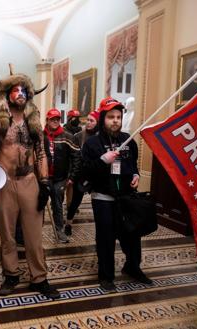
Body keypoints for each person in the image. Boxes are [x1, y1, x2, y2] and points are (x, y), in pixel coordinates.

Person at [0, 64, 60, 299]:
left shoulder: (34, 123)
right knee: (7, 235)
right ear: (7, 94)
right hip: (4, 182)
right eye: (15, 90)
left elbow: (41, 153)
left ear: (28, 95)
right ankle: (11, 275)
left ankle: (39, 278)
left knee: (33, 235)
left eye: (23, 91)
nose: (20, 94)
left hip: (30, 181)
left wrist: (45, 183)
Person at [82, 97, 152, 291]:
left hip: (127, 198)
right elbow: (85, 171)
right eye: (111, 117)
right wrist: (103, 160)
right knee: (106, 238)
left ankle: (132, 267)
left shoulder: (128, 141)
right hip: (103, 198)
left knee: (132, 234)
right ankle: (106, 275)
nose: (115, 120)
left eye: (118, 117)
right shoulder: (92, 144)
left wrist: (136, 174)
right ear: (103, 118)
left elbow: (133, 165)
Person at [43, 108, 80, 243]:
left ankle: (59, 231)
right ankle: (34, 232)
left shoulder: (67, 137)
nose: (55, 121)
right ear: (47, 120)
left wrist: (71, 177)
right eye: (52, 119)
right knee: (39, 204)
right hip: (44, 178)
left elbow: (76, 157)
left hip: (60, 179)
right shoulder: (41, 136)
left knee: (57, 205)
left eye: (57, 119)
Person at [66, 110, 100, 234]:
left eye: (92, 120)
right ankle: (68, 224)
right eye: (88, 120)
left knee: (98, 203)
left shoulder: (101, 137)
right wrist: (72, 174)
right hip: (81, 174)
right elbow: (73, 157)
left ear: (98, 122)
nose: (88, 123)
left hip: (96, 174)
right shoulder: (79, 136)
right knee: (75, 201)